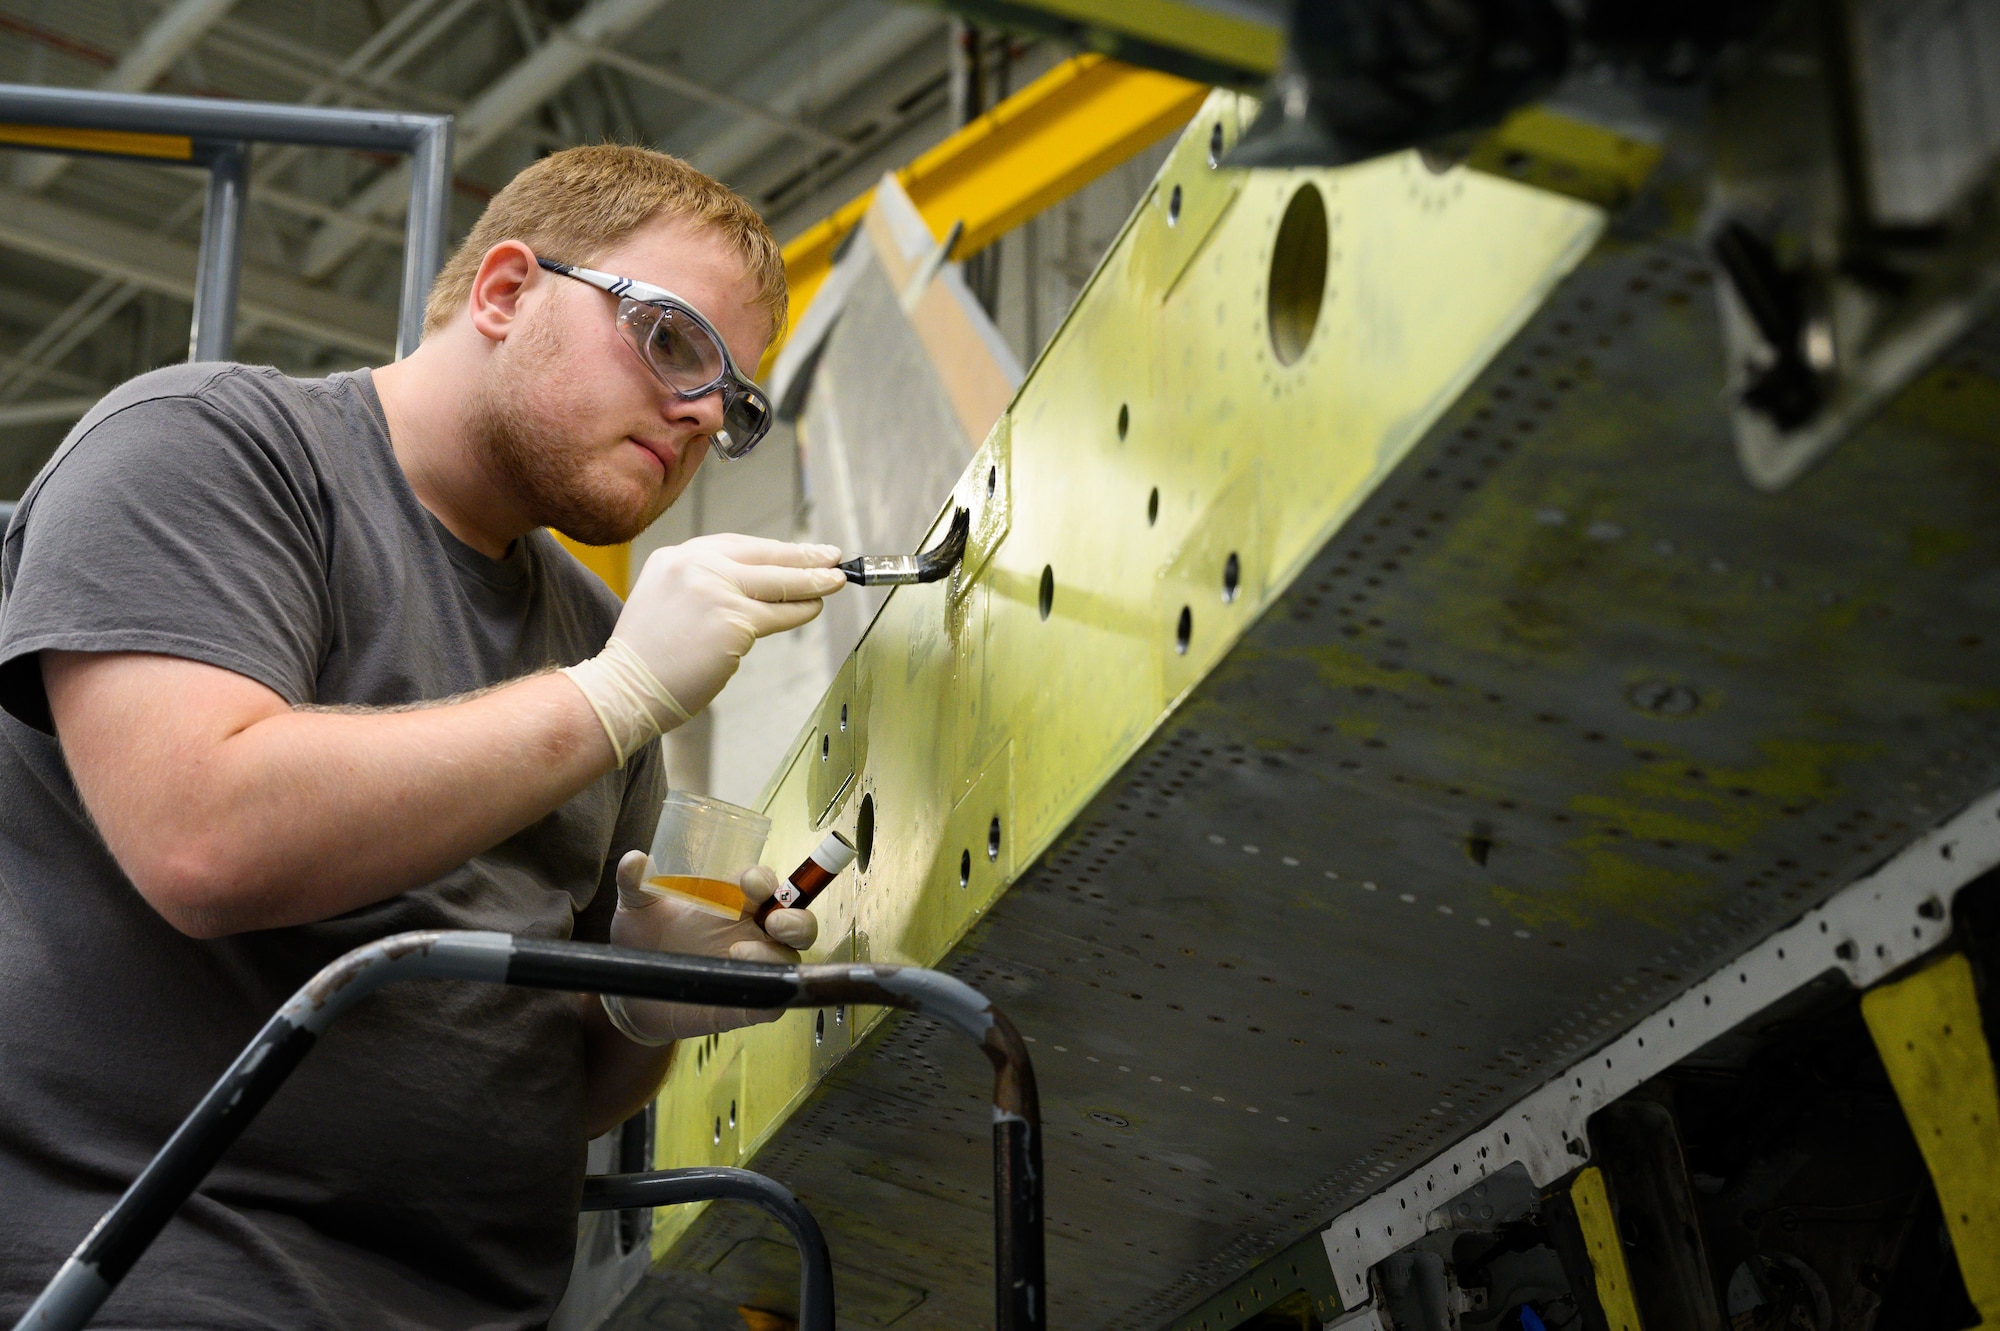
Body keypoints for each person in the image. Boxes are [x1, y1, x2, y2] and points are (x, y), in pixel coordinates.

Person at [0, 144, 843, 1329]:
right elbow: (201, 834)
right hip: (151, 1274)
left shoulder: (598, 636)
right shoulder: (210, 450)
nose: (704, 411)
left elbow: (557, 1088)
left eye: (734, 400)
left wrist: (639, 1004)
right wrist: (617, 694)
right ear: (503, 291)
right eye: (671, 341)